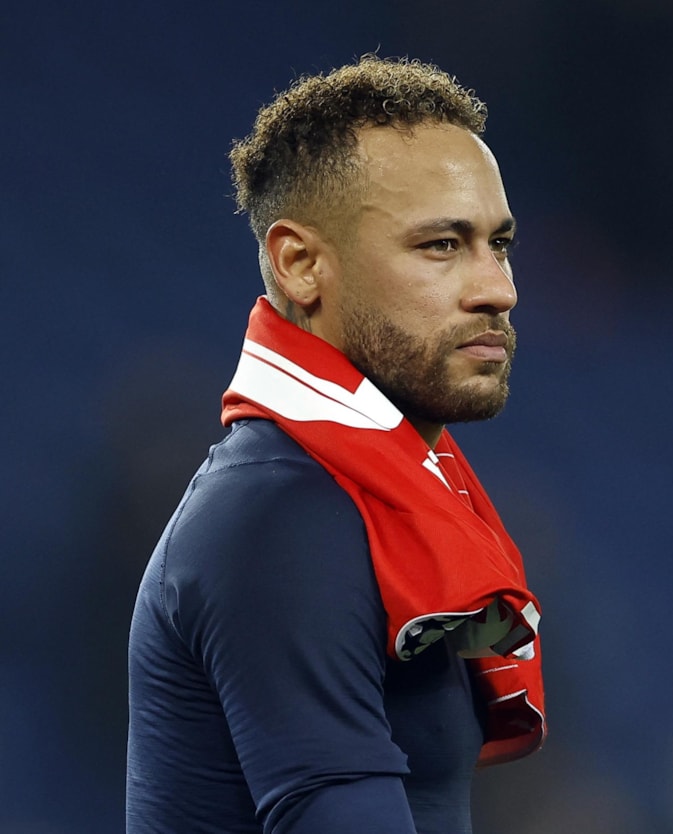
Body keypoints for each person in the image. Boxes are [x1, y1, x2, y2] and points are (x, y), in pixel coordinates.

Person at [126, 55, 546, 833]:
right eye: (441, 245)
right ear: (301, 265)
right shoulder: (281, 517)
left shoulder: (364, 501)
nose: (499, 288)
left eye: (500, 243)